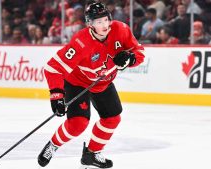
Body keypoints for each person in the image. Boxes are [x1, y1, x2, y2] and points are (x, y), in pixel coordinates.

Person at [38, 1, 145, 168]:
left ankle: (91, 154)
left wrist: (130, 58)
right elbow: (53, 68)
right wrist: (57, 96)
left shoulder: (121, 29)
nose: (104, 25)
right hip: (77, 83)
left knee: (112, 118)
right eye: (98, 22)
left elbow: (139, 52)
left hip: (103, 82)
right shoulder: (81, 42)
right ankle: (53, 145)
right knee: (78, 124)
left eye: (105, 20)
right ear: (90, 24)